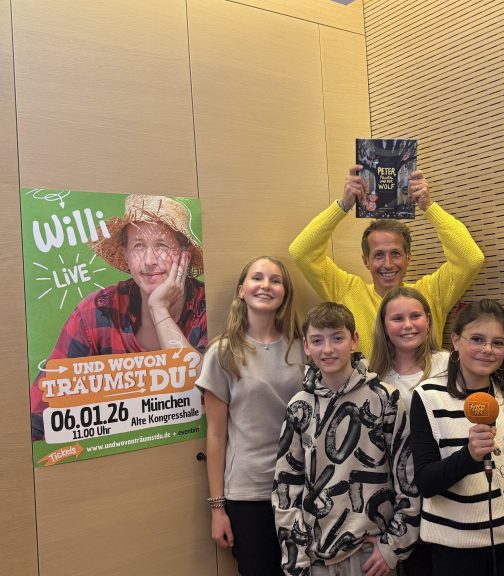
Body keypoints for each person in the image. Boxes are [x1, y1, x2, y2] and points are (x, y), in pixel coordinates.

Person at [30, 194, 207, 440]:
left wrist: (159, 310)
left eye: (162, 246)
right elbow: (39, 417)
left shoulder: (206, 307)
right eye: (138, 246)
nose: (149, 261)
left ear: (185, 255)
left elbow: (203, 395)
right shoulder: (95, 312)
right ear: (126, 255)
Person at [273, 302, 419, 576]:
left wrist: (393, 546)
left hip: (370, 554)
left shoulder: (386, 399)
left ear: (354, 340)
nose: (327, 349)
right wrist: (295, 560)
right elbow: (286, 486)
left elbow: (408, 478)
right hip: (315, 556)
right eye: (318, 341)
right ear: (306, 346)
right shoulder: (299, 406)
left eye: (337, 338)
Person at [289, 166, 484, 358]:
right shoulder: (348, 292)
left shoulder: (431, 293)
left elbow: (470, 260)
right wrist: (343, 205)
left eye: (396, 253)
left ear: (408, 257)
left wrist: (429, 207)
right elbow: (302, 252)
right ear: (366, 261)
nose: (388, 264)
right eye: (378, 255)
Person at [410, 299, 504, 576]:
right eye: (477, 339)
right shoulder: (428, 396)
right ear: (456, 341)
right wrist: (469, 455)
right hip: (458, 550)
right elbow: (426, 482)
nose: (487, 350)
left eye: (498, 343)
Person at [196, 256, 305, 576]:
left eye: (275, 280)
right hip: (249, 495)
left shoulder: (303, 347)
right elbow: (216, 435)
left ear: (285, 293)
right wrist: (217, 509)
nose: (266, 285)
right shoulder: (223, 352)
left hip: (301, 488)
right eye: (257, 278)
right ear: (241, 290)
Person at [367, 286, 448, 575]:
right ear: (383, 325)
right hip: (402, 500)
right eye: (397, 318)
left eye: (415, 316)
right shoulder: (373, 377)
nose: (408, 325)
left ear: (428, 319)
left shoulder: (449, 365)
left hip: (447, 491)